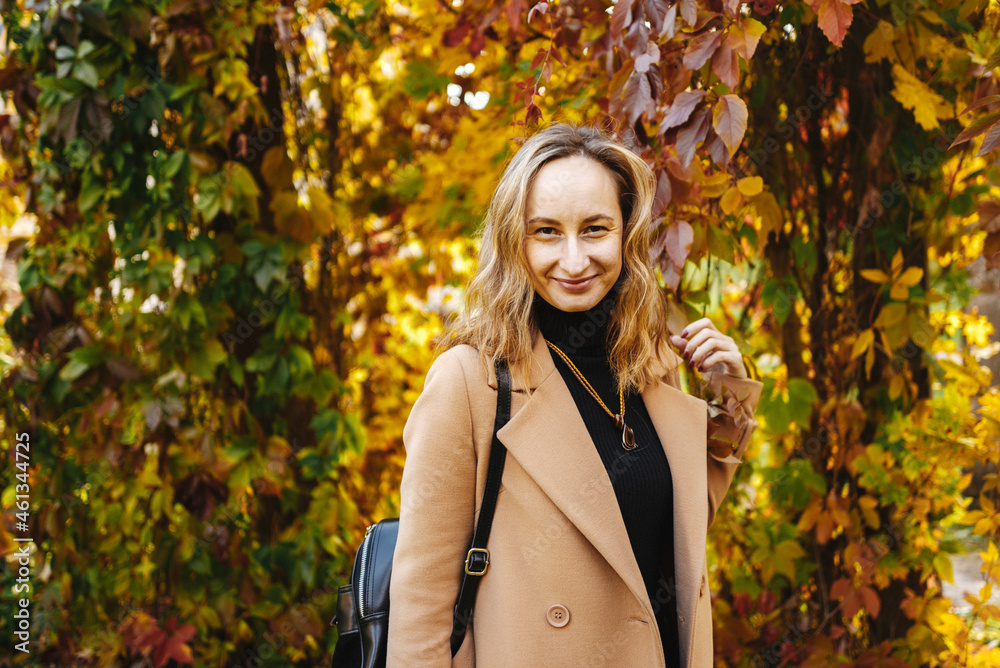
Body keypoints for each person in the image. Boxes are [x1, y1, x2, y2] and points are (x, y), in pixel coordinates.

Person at [386, 122, 762, 667]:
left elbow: (675, 533)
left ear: (627, 233)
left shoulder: (651, 362)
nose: (574, 260)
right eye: (545, 231)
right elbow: (421, 607)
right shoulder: (470, 383)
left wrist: (731, 396)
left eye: (594, 229)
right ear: (515, 239)